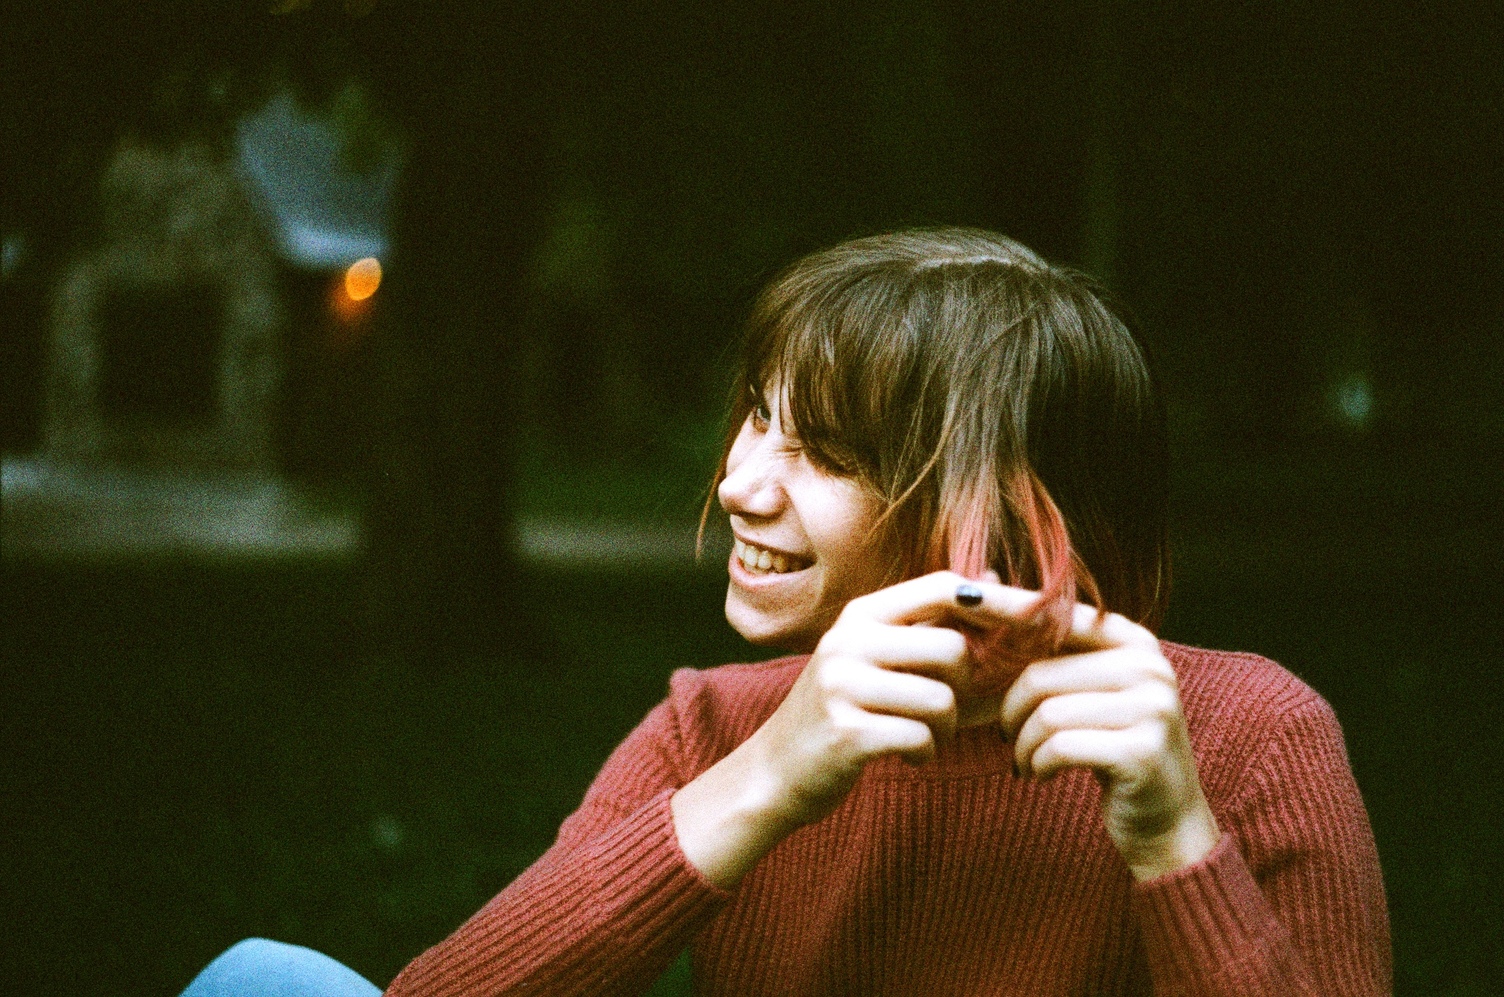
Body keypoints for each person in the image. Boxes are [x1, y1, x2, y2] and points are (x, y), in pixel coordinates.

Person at [181, 228, 1391, 996]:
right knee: (264, 981)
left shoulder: (1244, 735)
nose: (736, 483)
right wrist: (766, 780)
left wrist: (1176, 847)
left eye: (819, 452)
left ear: (1011, 516)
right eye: (757, 416)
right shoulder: (715, 727)